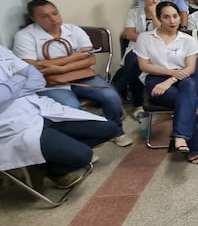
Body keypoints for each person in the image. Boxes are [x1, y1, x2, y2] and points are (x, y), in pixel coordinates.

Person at [14, 0, 131, 147]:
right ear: (34, 18)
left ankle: (116, 131)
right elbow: (31, 66)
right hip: (49, 83)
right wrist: (75, 58)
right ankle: (83, 142)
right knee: (71, 107)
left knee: (111, 95)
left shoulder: (73, 30)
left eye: (55, 13)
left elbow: (90, 59)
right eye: (44, 16)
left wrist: (59, 68)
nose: (53, 19)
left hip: (82, 76)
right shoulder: (25, 36)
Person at [0, 45, 118, 188]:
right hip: (14, 124)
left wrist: (12, 87)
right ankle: (52, 170)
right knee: (83, 156)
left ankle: (41, 164)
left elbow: (37, 80)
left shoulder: (2, 50)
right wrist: (19, 77)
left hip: (43, 109)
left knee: (110, 128)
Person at [134, 1, 198, 164]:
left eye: (175, 16)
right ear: (158, 18)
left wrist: (170, 80)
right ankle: (189, 145)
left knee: (188, 87)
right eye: (166, 17)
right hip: (155, 79)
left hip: (182, 78)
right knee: (187, 101)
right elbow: (144, 66)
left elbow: (190, 69)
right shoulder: (145, 38)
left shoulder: (187, 40)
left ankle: (180, 136)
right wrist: (170, 73)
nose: (172, 21)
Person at [120, 0, 161, 120]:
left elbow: (161, 33)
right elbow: (129, 34)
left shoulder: (163, 12)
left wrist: (154, 15)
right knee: (133, 62)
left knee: (136, 64)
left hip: (158, 48)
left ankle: (122, 92)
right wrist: (146, 41)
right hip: (137, 48)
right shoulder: (134, 13)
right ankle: (138, 104)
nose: (154, 1)